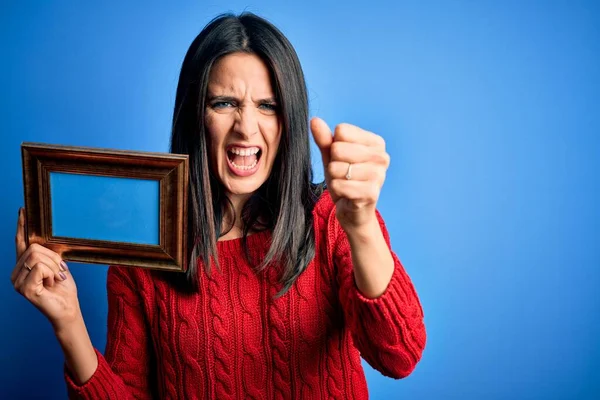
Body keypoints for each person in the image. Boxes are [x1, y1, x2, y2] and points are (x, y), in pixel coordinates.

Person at [11, 12, 426, 399]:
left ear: (289, 120)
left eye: (268, 105)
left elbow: (399, 355)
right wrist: (68, 322)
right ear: (196, 116)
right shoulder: (146, 249)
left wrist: (362, 224)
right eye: (224, 103)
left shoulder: (333, 220)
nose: (246, 127)